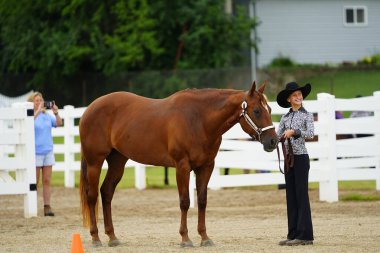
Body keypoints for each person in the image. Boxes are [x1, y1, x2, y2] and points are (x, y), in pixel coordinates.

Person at [276, 82, 314, 246]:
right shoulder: (284, 117)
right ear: (289, 99)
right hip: (288, 159)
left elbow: (311, 133)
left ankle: (305, 235)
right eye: (295, 95)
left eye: (300, 94)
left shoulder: (307, 115)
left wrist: (295, 132)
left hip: (300, 158)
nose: (299, 97)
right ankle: (292, 234)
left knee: (301, 195)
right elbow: (278, 135)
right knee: (290, 196)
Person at [28, 92, 63, 216]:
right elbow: (29, 124)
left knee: (47, 180)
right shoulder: (31, 115)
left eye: (40, 100)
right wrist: (37, 111)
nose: (39, 102)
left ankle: (47, 206)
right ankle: (32, 205)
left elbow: (59, 123)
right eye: (36, 100)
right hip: (36, 152)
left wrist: (56, 112)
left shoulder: (47, 116)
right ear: (31, 103)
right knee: (35, 181)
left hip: (48, 152)